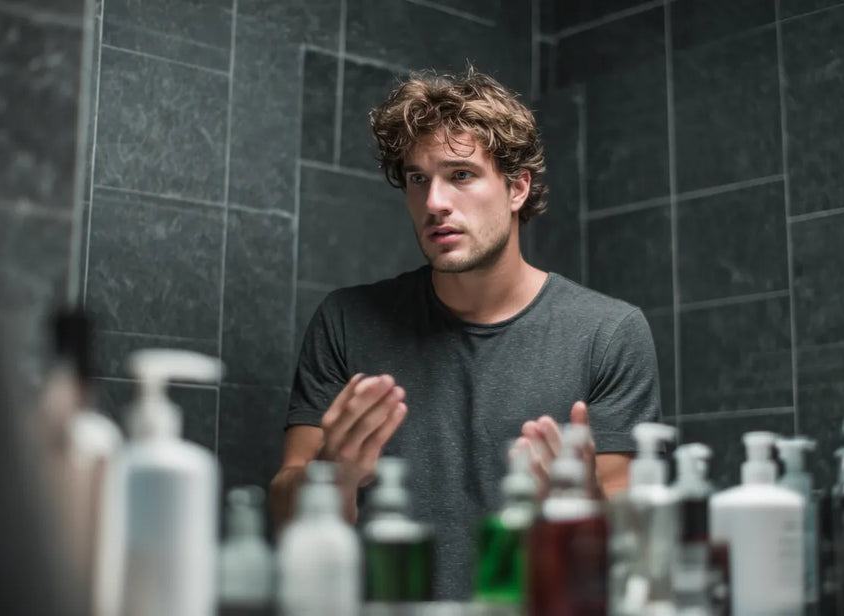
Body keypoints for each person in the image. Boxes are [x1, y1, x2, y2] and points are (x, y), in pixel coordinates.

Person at [269, 68, 661, 599]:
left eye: (460, 174)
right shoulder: (346, 321)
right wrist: (330, 476)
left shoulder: (609, 333)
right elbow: (284, 512)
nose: (434, 202)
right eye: (417, 179)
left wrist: (580, 498)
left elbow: (633, 543)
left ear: (517, 187)